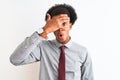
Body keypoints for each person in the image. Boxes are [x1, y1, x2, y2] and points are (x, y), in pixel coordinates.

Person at [10, 3, 94, 80]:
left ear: (70, 26)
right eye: (56, 25)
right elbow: (15, 60)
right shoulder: (42, 47)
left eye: (63, 24)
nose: (60, 28)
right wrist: (44, 30)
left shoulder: (83, 52)